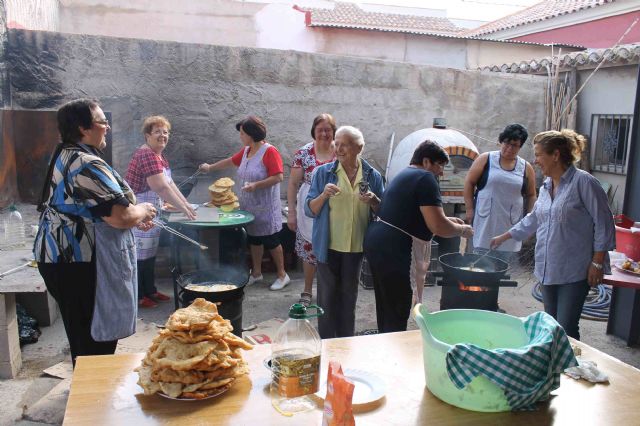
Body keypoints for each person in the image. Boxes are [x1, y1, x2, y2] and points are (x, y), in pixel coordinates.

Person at [34, 98, 157, 366]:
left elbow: (93, 208)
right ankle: (91, 401)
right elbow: (120, 216)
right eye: (102, 122)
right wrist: (143, 210)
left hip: (59, 258)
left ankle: (85, 391)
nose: (107, 127)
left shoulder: (65, 153)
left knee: (82, 335)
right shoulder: (86, 163)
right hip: (79, 262)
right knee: (95, 342)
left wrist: (133, 218)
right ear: (83, 128)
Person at [490, 129, 615, 340]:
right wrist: (506, 236)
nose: (535, 160)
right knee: (551, 325)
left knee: (566, 327)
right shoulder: (547, 185)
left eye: (539, 154)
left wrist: (597, 263)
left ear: (555, 155)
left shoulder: (584, 183)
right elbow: (534, 218)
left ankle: (570, 369)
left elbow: (604, 224)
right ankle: (553, 369)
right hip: (548, 266)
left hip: (575, 269)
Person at [364, 140, 474, 333]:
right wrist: (462, 230)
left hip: (378, 242)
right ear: (426, 162)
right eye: (439, 165)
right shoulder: (425, 178)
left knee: (386, 305)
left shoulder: (406, 174)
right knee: (398, 307)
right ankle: (393, 353)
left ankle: (385, 342)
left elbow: (414, 213)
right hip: (394, 248)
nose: (441, 172)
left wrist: (449, 220)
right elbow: (438, 226)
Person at [305, 126, 384, 339]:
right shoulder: (323, 173)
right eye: (336, 144)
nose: (338, 149)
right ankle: (327, 343)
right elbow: (309, 209)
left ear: (358, 148)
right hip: (327, 246)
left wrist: (374, 200)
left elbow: (384, 211)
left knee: (349, 299)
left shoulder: (372, 175)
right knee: (327, 300)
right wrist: (323, 195)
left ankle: (346, 342)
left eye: (344, 145)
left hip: (355, 246)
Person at [199, 116, 290, 290]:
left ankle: (282, 275)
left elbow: (278, 176)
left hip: (266, 206)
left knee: (271, 240)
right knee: (254, 240)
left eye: (242, 133)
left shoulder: (269, 151)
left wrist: (256, 185)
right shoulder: (247, 150)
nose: (240, 136)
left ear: (251, 134)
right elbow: (231, 161)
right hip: (249, 206)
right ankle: (256, 273)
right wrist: (210, 167)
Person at [125, 116, 197, 308]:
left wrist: (186, 204)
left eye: (165, 132)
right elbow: (160, 187)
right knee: (139, 255)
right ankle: (140, 296)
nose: (162, 136)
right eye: (157, 131)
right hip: (138, 208)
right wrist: (184, 209)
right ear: (147, 135)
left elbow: (169, 183)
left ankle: (150, 290)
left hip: (152, 209)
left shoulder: (159, 155)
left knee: (149, 253)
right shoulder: (146, 154)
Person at [464, 123, 536, 262]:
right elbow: (469, 182)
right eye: (506, 143)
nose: (509, 148)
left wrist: (529, 218)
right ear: (501, 142)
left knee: (502, 263)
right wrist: (469, 209)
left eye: (514, 145)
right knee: (481, 261)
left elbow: (531, 195)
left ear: (520, 146)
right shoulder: (486, 159)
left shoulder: (526, 167)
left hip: (510, 222)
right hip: (486, 218)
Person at [287, 114, 336, 307]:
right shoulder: (304, 153)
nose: (324, 133)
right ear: (314, 132)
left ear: (334, 131)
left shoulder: (340, 150)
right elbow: (292, 184)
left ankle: (329, 290)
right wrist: (291, 212)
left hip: (334, 206)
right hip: (310, 205)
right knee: (310, 249)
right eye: (320, 130)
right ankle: (307, 291)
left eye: (328, 130)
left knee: (332, 248)